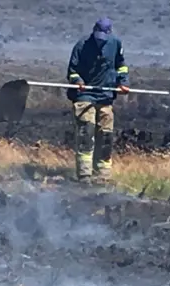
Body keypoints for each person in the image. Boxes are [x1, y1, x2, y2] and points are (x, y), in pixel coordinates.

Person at [66, 17, 130, 184]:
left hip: (106, 94)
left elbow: (121, 65)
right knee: (86, 131)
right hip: (85, 94)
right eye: (97, 36)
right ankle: (84, 175)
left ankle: (102, 176)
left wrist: (123, 82)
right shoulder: (82, 45)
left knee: (106, 135)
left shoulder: (116, 44)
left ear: (109, 34)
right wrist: (77, 82)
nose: (100, 40)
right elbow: (72, 71)